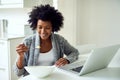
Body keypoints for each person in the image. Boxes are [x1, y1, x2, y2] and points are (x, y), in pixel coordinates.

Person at [13, 4, 79, 77]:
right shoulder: (28, 42)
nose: (43, 31)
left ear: (52, 27)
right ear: (35, 26)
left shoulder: (59, 40)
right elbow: (18, 73)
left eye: (47, 28)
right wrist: (21, 57)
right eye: (40, 27)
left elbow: (74, 52)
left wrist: (67, 60)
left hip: (53, 77)